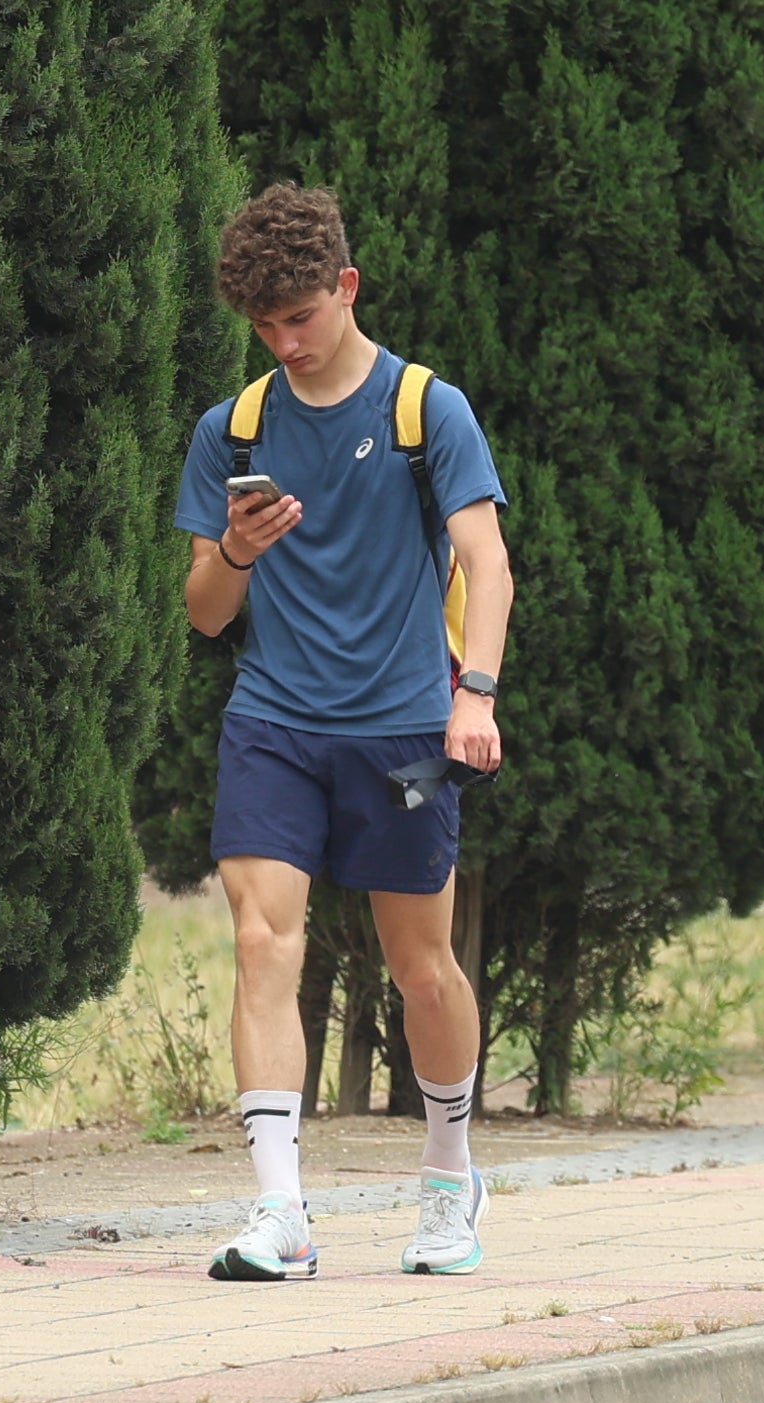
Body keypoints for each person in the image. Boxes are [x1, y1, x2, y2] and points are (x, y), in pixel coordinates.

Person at [175, 181, 514, 1281]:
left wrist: (477, 692)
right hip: (274, 723)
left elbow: (485, 561)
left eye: (301, 317)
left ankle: (448, 1176)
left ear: (346, 288)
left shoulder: (426, 410)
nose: (286, 343)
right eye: (265, 328)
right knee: (262, 942)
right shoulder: (229, 431)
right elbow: (203, 614)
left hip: (407, 731)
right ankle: (283, 1216)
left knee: (421, 970)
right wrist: (234, 549)